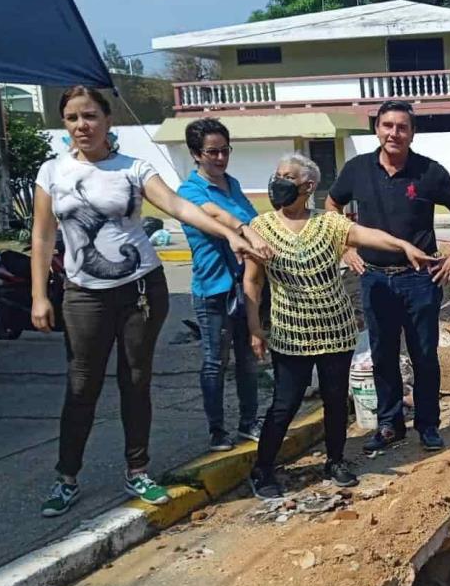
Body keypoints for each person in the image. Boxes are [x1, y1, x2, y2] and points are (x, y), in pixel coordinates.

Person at [31, 86, 272, 518]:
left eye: (90, 116)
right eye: (72, 118)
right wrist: (38, 297)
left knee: (136, 381)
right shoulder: (52, 172)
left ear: (107, 120)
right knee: (81, 386)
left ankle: (137, 469)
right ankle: (66, 477)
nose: (82, 125)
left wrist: (232, 232)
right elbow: (43, 236)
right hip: (83, 294)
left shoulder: (134, 168)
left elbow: (180, 205)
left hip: (140, 289)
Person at [244, 153, 431, 499]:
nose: (278, 182)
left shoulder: (327, 224)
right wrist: (255, 327)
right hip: (291, 335)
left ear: (308, 186)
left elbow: (366, 234)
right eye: (277, 175)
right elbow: (253, 282)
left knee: (334, 399)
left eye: (287, 176)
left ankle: (335, 461)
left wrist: (403, 245)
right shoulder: (261, 228)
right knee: (284, 404)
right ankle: (262, 469)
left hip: (335, 330)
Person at [326, 100, 450, 455]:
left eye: (402, 127)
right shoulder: (357, 170)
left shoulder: (429, 172)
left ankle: (427, 425)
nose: (394, 133)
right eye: (387, 125)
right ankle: (390, 424)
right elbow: (332, 206)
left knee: (424, 354)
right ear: (377, 129)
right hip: (375, 279)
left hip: (420, 280)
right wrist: (344, 249)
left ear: (412, 133)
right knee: (383, 354)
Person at [177, 118, 264, 452]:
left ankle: (248, 421)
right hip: (213, 289)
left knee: (248, 356)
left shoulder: (233, 183)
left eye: (225, 151)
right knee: (215, 361)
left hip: (247, 287)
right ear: (196, 154)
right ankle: (217, 430)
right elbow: (217, 216)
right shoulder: (190, 191)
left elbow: (254, 219)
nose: (220, 158)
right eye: (212, 152)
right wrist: (243, 229)